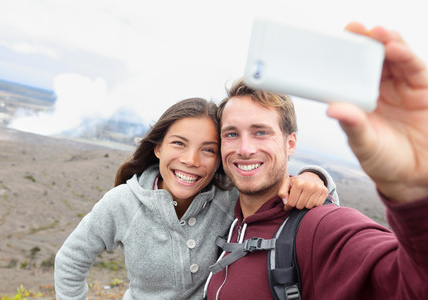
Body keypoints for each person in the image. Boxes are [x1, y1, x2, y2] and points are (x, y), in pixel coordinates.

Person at [205, 23, 428, 299]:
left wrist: (416, 196)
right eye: (232, 134)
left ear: (291, 143)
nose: (245, 148)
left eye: (261, 132)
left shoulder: (320, 227)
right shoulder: (226, 219)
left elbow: (411, 285)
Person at [54, 97, 338, 299]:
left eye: (208, 150)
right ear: (157, 149)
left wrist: (315, 177)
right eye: (179, 143)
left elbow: (315, 196)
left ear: (219, 160)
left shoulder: (229, 198)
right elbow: (70, 260)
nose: (191, 160)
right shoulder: (122, 203)